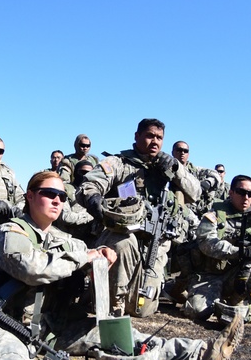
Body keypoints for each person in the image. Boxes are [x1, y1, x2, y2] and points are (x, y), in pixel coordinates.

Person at [0, 171, 241, 360]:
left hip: (54, 327)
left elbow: (89, 252)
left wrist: (102, 253)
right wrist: (85, 257)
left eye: (62, 196)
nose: (57, 200)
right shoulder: (10, 232)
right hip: (6, 322)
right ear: (31, 196)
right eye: (49, 193)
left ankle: (203, 354)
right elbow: (32, 269)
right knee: (9, 352)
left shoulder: (63, 238)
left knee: (123, 338)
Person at [77, 119, 200, 317]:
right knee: (122, 244)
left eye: (159, 138)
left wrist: (177, 170)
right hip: (123, 237)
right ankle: (107, 300)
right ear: (137, 136)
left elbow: (195, 193)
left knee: (141, 309)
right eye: (150, 136)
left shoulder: (169, 167)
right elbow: (88, 186)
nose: (155, 142)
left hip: (156, 245)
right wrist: (96, 202)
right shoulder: (119, 163)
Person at [186, 175, 251, 317]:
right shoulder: (215, 213)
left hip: (237, 274)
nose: (246, 197)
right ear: (231, 193)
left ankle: (236, 300)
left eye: (250, 194)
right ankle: (177, 288)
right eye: (241, 192)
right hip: (209, 275)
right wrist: (240, 252)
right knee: (198, 312)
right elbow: (206, 242)